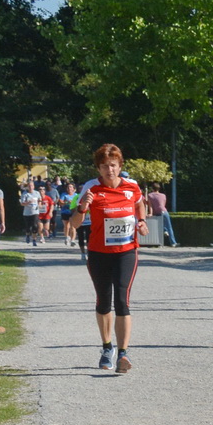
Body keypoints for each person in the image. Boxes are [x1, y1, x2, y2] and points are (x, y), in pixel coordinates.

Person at [72, 144, 148, 373]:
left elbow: (139, 204)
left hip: (126, 251)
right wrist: (83, 208)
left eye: (113, 165)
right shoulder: (91, 187)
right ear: (99, 167)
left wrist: (142, 221)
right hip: (98, 253)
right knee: (104, 301)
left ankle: (123, 354)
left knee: (123, 300)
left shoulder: (131, 187)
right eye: (104, 166)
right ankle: (107, 348)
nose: (109, 170)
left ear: (120, 165)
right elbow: (74, 224)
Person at [146, 181, 177, 246]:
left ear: (152, 188)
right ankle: (173, 243)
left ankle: (161, 239)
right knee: (169, 227)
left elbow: (150, 206)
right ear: (159, 188)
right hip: (164, 212)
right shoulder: (163, 195)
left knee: (158, 227)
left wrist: (151, 213)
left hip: (157, 212)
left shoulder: (150, 195)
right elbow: (163, 204)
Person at [20, 179, 43, 245]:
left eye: (32, 186)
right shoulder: (25, 194)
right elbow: (22, 203)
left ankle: (34, 240)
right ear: (27, 187)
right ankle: (27, 235)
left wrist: (39, 204)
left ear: (34, 186)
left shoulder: (37, 193)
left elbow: (40, 200)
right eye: (29, 186)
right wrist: (28, 202)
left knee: (35, 226)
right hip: (27, 213)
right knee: (28, 227)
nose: (30, 187)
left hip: (35, 211)